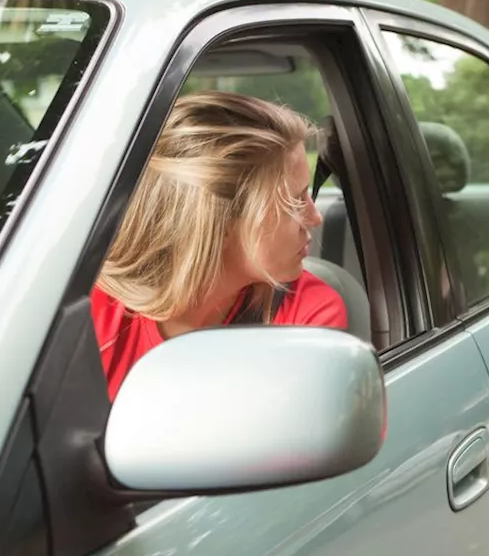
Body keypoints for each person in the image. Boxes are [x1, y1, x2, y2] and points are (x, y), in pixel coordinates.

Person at [91, 91, 348, 399]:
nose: (315, 216)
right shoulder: (90, 313)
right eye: (293, 201)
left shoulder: (308, 313)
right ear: (219, 222)